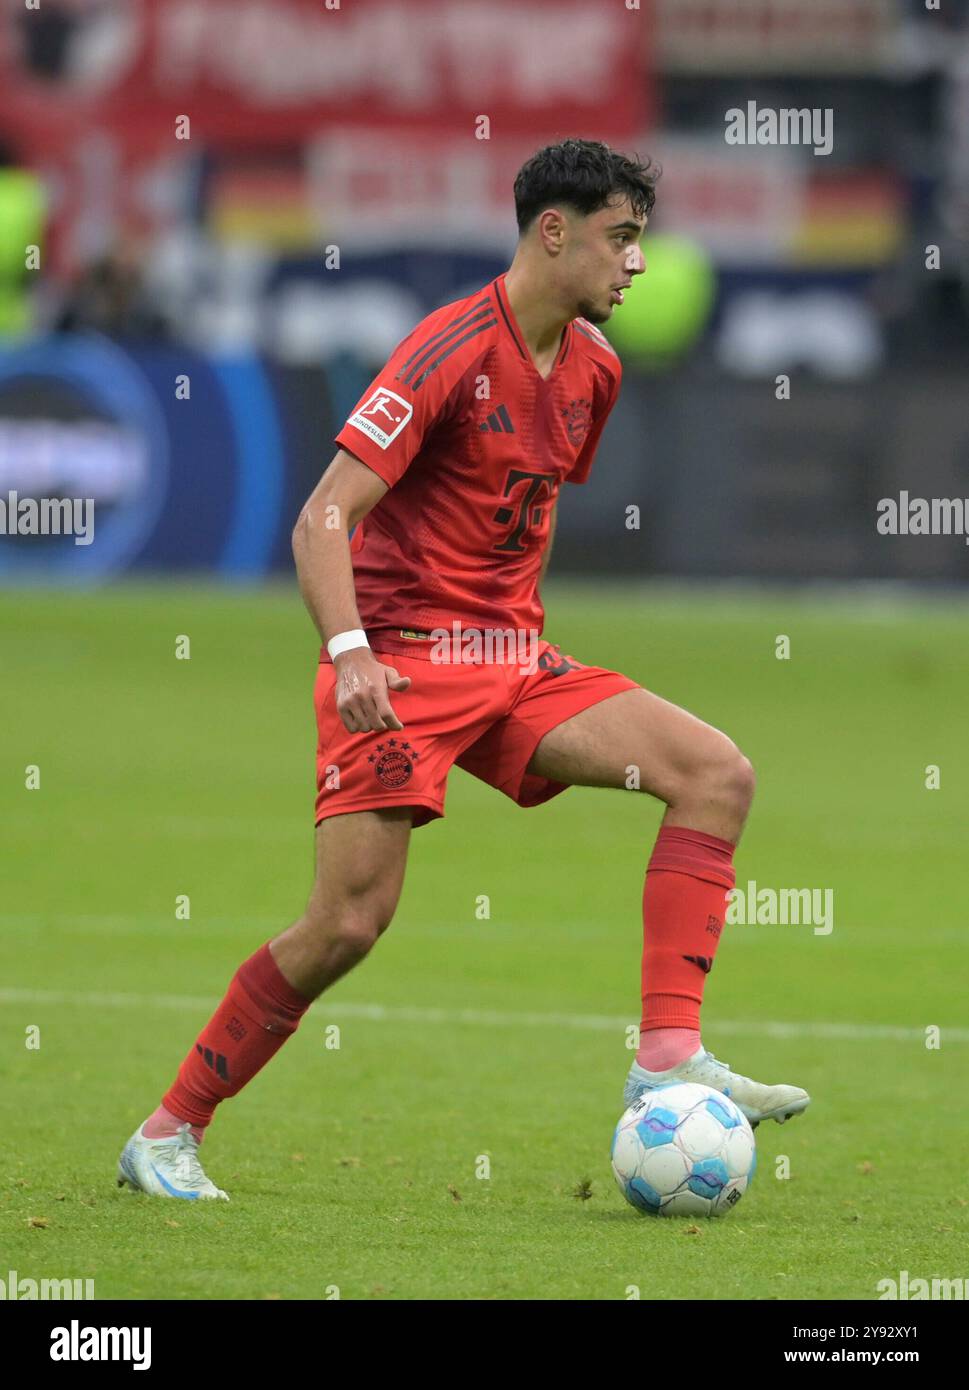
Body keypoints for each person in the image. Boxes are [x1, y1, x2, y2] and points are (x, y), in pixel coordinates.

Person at [118, 139, 809, 1200]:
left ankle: (666, 1053)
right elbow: (322, 519)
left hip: (513, 662)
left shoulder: (597, 370)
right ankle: (168, 1131)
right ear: (555, 231)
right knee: (348, 923)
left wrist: (515, 643)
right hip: (395, 667)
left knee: (716, 774)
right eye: (622, 237)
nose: (636, 263)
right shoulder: (445, 350)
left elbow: (510, 518)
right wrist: (350, 652)